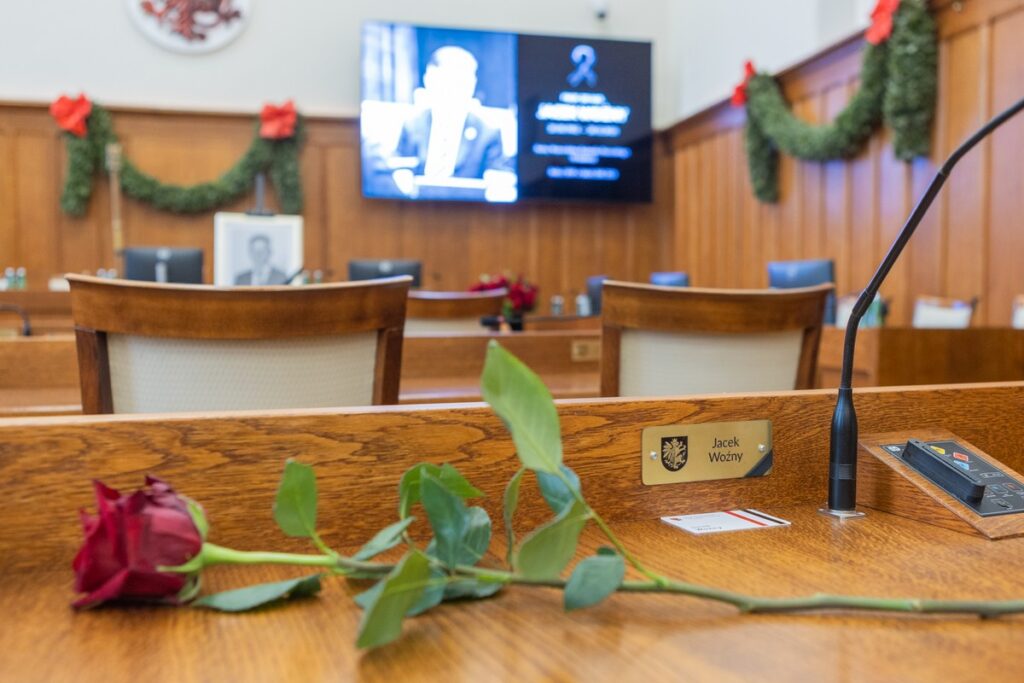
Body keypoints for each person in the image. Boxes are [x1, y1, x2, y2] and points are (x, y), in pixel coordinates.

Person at [390, 45, 514, 198]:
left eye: (465, 80)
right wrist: (403, 180)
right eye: (451, 79)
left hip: (470, 213)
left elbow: (499, 176)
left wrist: (496, 184)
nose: (458, 88)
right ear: (429, 79)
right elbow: (398, 167)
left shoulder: (489, 131)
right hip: (417, 209)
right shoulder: (412, 124)